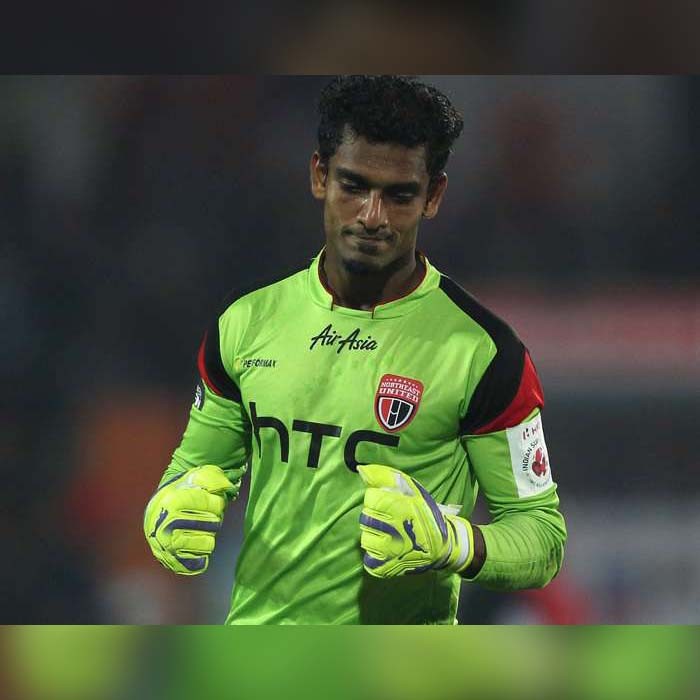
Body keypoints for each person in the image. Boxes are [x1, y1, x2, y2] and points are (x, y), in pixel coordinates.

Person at [143, 75, 567, 624]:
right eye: (354, 186)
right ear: (319, 175)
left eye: (399, 195)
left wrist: (453, 542)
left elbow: (541, 537)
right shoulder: (244, 324)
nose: (372, 216)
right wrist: (169, 510)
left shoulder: (484, 353)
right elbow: (196, 470)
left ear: (434, 196)